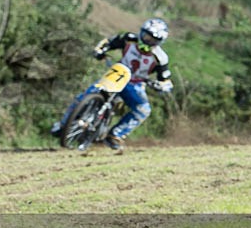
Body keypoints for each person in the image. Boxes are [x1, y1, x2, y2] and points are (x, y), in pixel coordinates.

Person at [51, 18, 173, 151]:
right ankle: (63, 125)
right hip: (117, 73)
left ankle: (115, 135)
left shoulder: (160, 58)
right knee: (86, 95)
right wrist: (100, 50)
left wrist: (160, 85)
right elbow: (108, 42)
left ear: (159, 42)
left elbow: (166, 81)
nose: (148, 40)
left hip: (135, 85)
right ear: (141, 32)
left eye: (153, 39)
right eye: (146, 36)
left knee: (143, 109)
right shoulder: (129, 39)